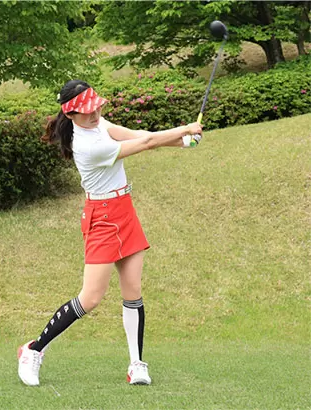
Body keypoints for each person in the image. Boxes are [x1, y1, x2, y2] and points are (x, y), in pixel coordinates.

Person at [17, 79, 203, 386]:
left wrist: (183, 142)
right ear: (71, 114)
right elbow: (146, 144)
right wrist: (185, 129)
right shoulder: (88, 146)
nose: (95, 114)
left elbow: (139, 136)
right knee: (90, 298)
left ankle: (137, 364)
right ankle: (34, 349)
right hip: (101, 218)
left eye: (97, 107)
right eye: (87, 111)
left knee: (133, 291)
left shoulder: (98, 125)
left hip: (124, 211)